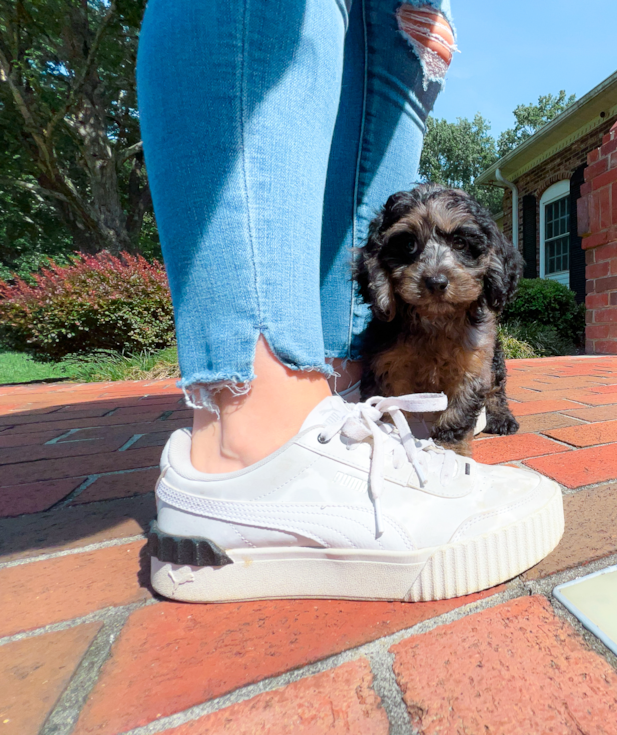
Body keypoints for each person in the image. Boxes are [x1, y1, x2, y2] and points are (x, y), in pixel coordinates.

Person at [136, 0, 563, 603]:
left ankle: (334, 395)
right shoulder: (391, 297)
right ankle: (254, 438)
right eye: (407, 251)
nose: (437, 274)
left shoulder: (476, 310)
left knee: (388, 39)